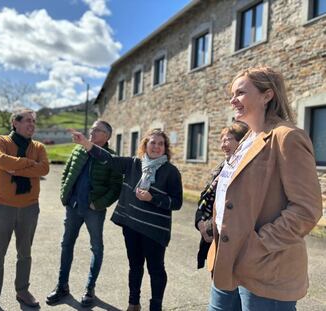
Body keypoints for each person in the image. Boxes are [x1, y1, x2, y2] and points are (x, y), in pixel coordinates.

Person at [207, 66, 322, 311]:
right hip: (226, 263)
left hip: (266, 270)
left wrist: (257, 247)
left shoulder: (287, 137)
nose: (232, 100)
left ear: (266, 95)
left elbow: (306, 209)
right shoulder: (246, 139)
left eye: (240, 93)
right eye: (232, 93)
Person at [70, 128, 183, 311]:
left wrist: (152, 198)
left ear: (165, 148)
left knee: (156, 270)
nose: (156, 146)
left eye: (160, 143)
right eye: (152, 142)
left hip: (154, 230)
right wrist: (86, 143)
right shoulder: (133, 164)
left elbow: (177, 203)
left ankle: (156, 306)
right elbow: (109, 159)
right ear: (145, 145)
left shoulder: (171, 172)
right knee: (135, 266)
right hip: (132, 226)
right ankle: (133, 303)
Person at [46, 121, 122, 308]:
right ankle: (62, 286)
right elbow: (66, 173)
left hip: (94, 210)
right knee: (66, 245)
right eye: (92, 129)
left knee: (96, 247)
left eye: (97, 130)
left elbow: (115, 188)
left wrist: (99, 204)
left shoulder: (111, 158)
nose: (92, 132)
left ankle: (90, 289)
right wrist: (65, 195)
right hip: (73, 207)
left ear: (107, 136)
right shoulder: (78, 150)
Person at [0, 109, 50, 311]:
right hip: (3, 207)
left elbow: (44, 169)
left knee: (25, 253)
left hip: (29, 207)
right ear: (15, 123)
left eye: (34, 122)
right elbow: (1, 160)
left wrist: (18, 166)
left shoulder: (38, 146)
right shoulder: (1, 141)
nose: (32, 125)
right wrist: (30, 164)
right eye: (28, 121)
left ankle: (22, 290)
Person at [195, 121, 248, 269]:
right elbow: (204, 198)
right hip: (214, 238)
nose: (223, 145)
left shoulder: (248, 171)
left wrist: (210, 228)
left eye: (227, 140)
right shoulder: (221, 168)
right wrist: (200, 222)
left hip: (234, 242)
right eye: (222, 140)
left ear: (243, 141)